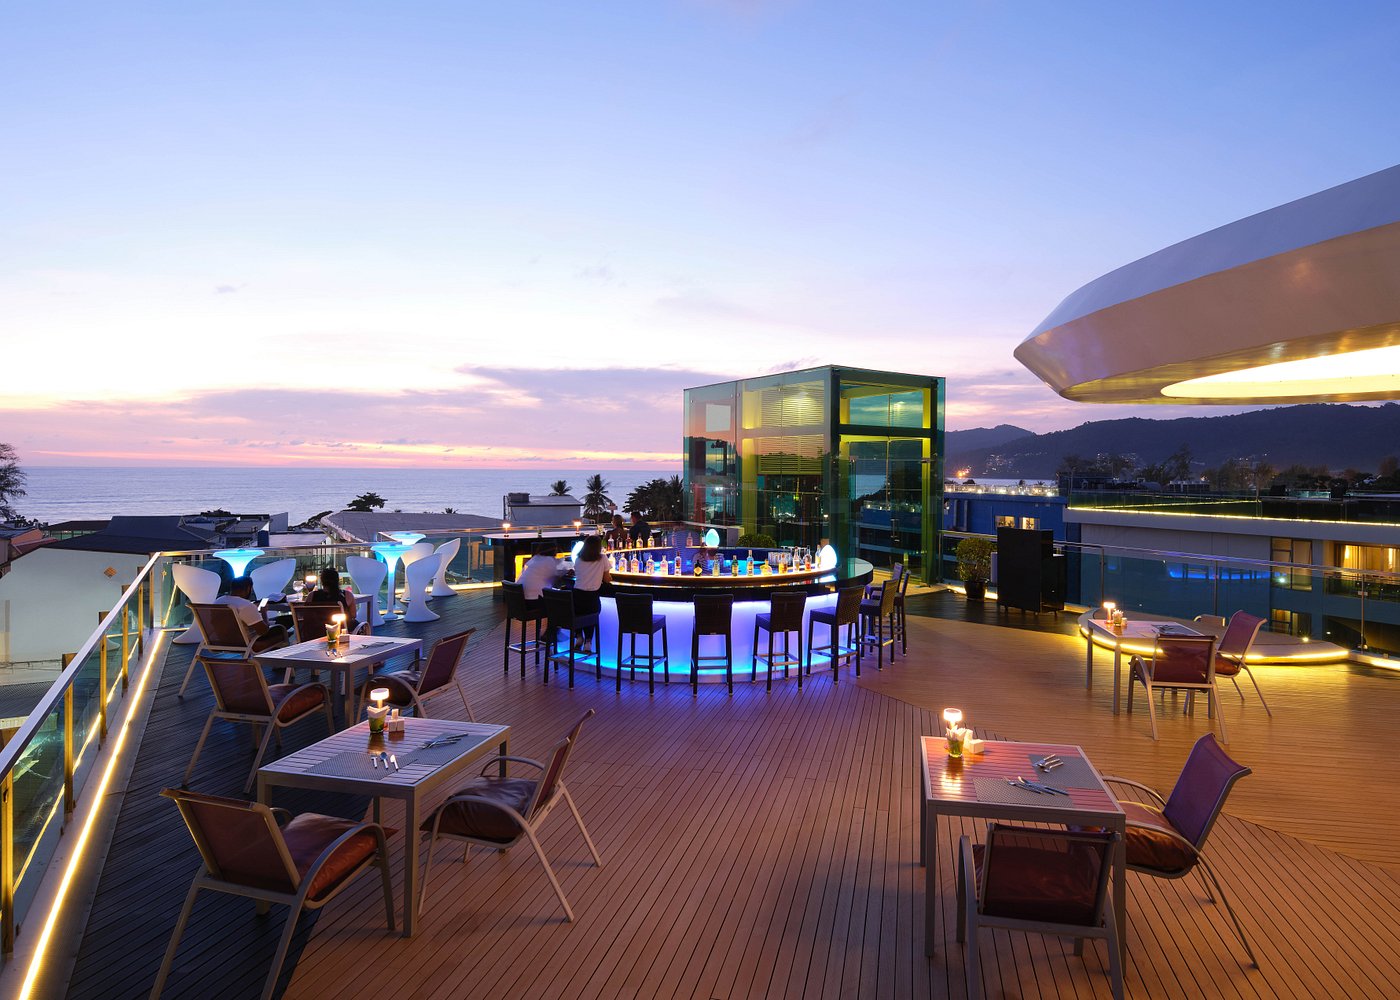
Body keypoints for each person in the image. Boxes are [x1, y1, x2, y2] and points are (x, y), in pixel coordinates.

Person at [215, 576, 289, 652]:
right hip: (248, 645)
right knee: (285, 629)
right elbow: (263, 631)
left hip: (222, 642)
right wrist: (264, 612)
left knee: (276, 621)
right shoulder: (246, 606)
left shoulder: (219, 601)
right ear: (248, 588)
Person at [570, 534, 610, 652]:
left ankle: (578, 637)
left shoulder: (578, 559)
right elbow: (607, 579)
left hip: (576, 596)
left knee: (577, 615)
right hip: (592, 598)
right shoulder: (602, 558)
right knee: (591, 615)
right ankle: (588, 642)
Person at [303, 565, 361, 632]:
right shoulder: (347, 595)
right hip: (339, 632)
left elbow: (305, 615)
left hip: (316, 633)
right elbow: (353, 615)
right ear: (337, 580)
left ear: (322, 581)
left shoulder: (312, 596)